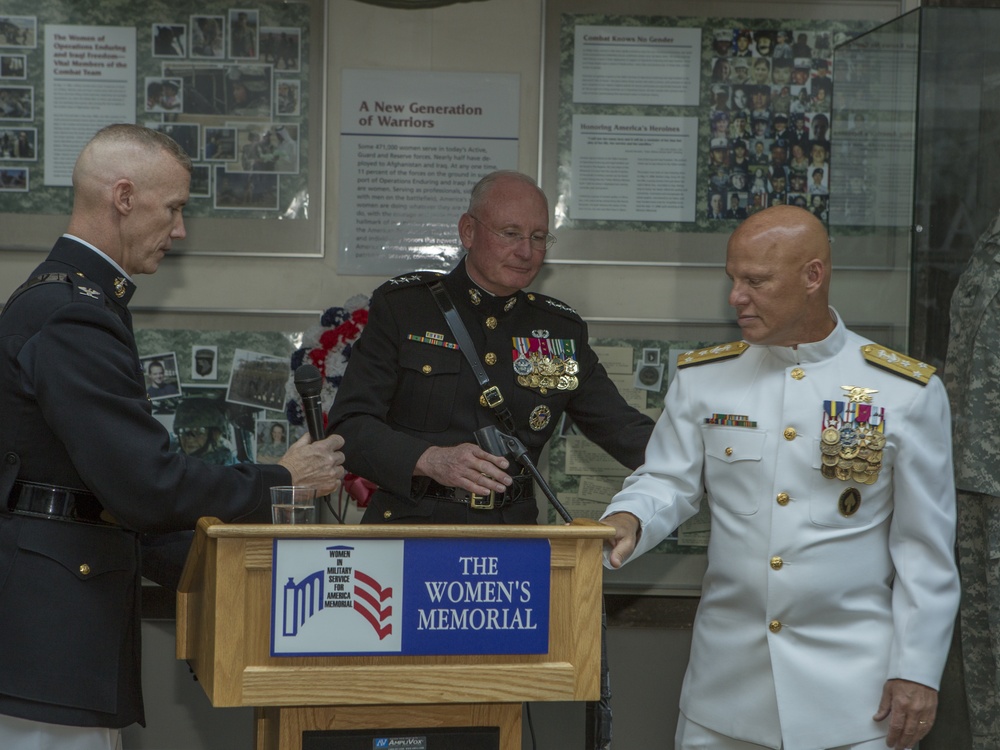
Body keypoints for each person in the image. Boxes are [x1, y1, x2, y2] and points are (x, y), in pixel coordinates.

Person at [0, 124, 346, 748]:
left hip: (55, 632)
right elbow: (146, 486)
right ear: (124, 197)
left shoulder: (69, 301)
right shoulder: (75, 312)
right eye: (175, 209)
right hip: (51, 638)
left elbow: (107, 493)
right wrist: (282, 479)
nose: (180, 231)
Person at [600, 205, 959, 750]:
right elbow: (668, 481)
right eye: (733, 279)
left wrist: (917, 669)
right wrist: (628, 517)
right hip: (724, 696)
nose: (735, 297)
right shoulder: (706, 379)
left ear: (813, 276)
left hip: (855, 701)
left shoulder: (904, 392)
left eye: (755, 281)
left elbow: (924, 549)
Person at [327, 170, 655, 525]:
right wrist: (430, 459)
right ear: (468, 231)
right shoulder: (406, 310)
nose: (526, 251)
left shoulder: (559, 332)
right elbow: (350, 427)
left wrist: (709, 457)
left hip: (510, 538)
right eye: (511, 234)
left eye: (538, 237)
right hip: (411, 527)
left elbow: (623, 429)